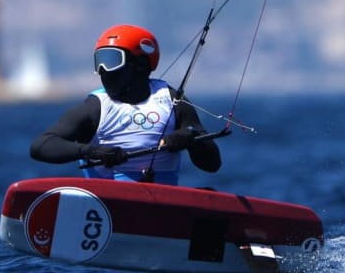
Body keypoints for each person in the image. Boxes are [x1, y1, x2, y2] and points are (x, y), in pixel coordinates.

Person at [30, 24, 221, 185]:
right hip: (107, 203)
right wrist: (92, 151)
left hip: (162, 201)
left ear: (139, 63)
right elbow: (41, 146)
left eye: (111, 60)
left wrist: (190, 140)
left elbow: (212, 164)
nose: (103, 70)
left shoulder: (172, 101)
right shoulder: (96, 107)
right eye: (99, 61)